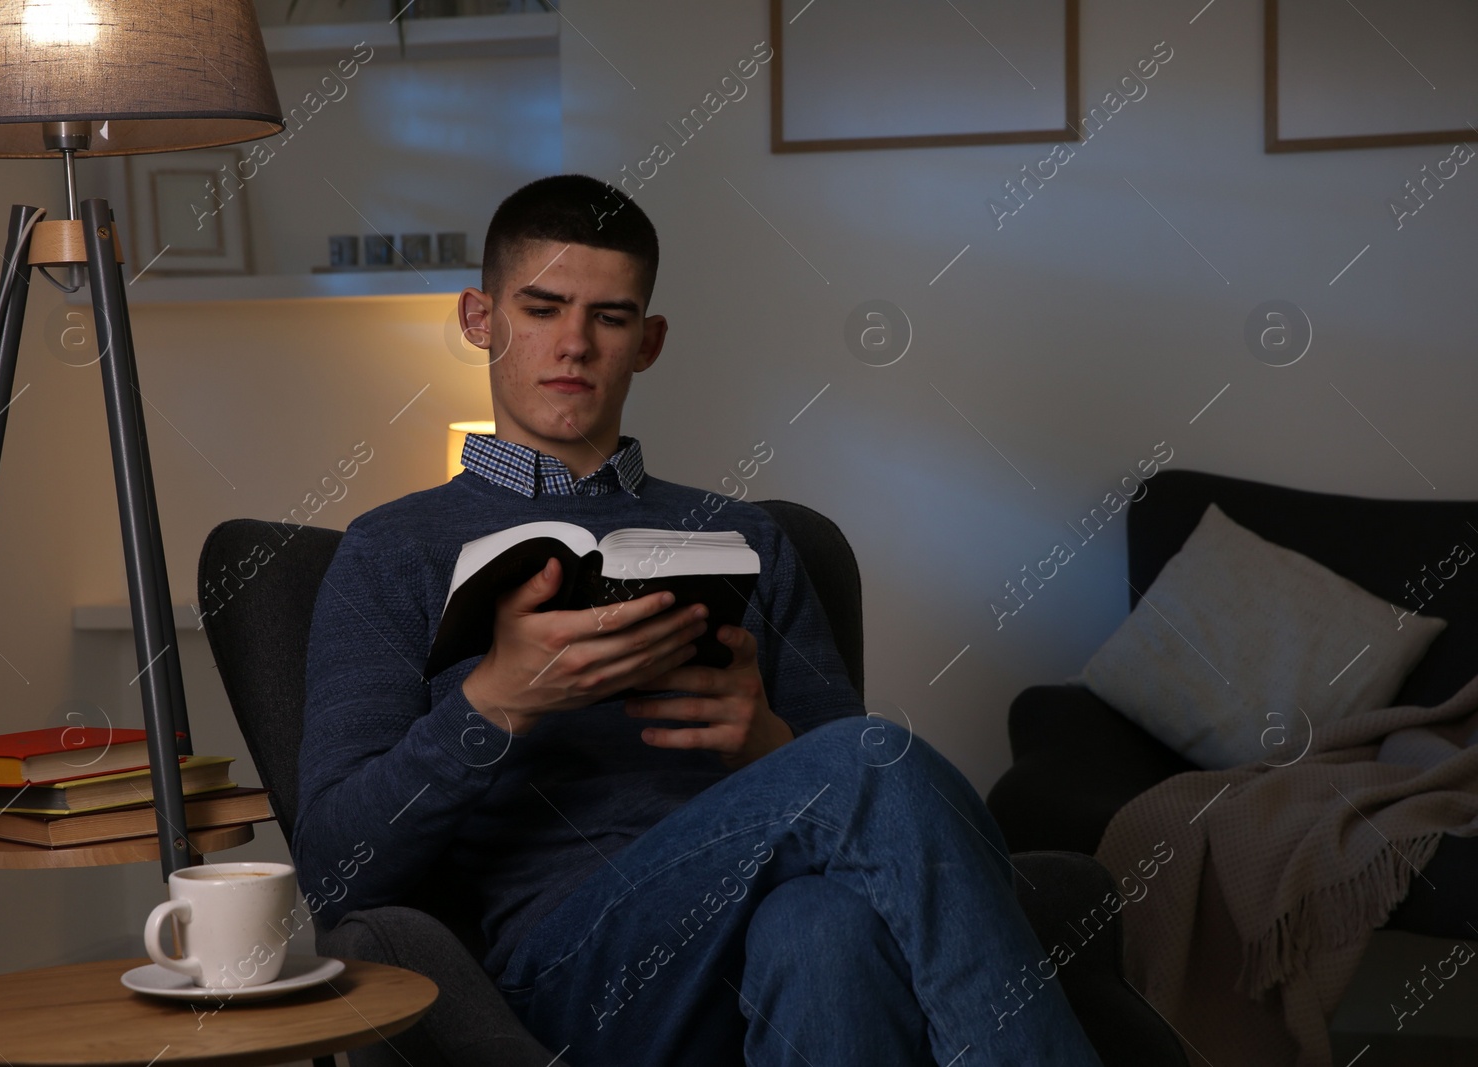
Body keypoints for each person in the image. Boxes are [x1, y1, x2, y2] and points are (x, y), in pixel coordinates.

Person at [294, 173, 1104, 1066]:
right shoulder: (391, 548)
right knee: (876, 759)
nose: (574, 344)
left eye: (609, 317)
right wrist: (495, 702)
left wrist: (766, 743)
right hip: (566, 977)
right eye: (542, 307)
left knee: (825, 926)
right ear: (479, 319)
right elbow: (336, 872)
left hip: (756, 940)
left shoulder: (745, 536)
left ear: (649, 341)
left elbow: (871, 819)